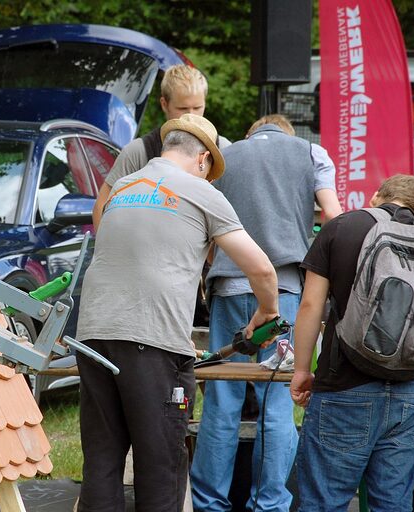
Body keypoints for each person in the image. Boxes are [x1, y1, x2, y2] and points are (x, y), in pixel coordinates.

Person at [75, 113, 281, 512]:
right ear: (202, 159)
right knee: (162, 466)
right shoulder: (199, 191)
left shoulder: (122, 186)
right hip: (150, 345)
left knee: (101, 461)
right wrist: (267, 313)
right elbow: (260, 268)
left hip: (93, 335)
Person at [189, 114, 342, 512]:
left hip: (228, 285)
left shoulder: (223, 157)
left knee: (222, 400)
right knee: (277, 399)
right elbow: (334, 218)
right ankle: (270, 503)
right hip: (286, 291)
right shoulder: (312, 153)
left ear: (251, 132)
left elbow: (204, 229)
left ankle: (209, 503)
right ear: (286, 134)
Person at [290, 175, 414, 510]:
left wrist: (302, 369)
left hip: (343, 387)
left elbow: (310, 306)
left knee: (324, 501)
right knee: (392, 503)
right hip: (407, 393)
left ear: (377, 196)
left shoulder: (341, 227)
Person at [92, 64, 230, 230]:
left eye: (198, 107)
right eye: (183, 108)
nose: (191, 115)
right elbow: (102, 206)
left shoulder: (224, 149)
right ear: (164, 104)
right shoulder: (138, 151)